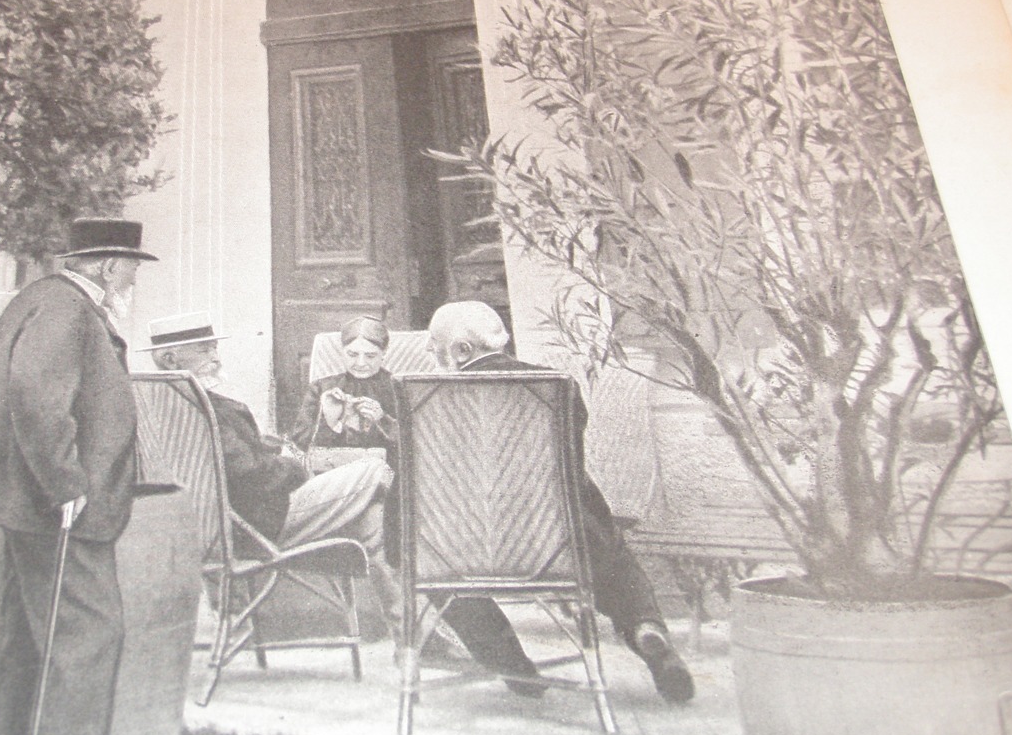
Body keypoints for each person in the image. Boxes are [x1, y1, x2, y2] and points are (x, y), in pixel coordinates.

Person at [0, 217, 157, 735]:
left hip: (35, 505)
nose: (132, 278)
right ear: (104, 265)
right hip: (58, 509)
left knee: (27, 645)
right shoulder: (68, 308)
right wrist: (66, 485)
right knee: (88, 642)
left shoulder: (44, 300)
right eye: (130, 267)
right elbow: (35, 394)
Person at [424, 300, 696, 704]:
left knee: (429, 556)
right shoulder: (559, 389)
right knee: (612, 554)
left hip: (470, 554)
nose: (434, 362)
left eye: (435, 351)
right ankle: (644, 628)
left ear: (462, 351)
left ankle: (512, 665)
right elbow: (570, 478)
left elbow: (418, 492)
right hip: (558, 552)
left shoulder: (428, 399)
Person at [142, 312, 404, 640]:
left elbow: (234, 462)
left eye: (214, 348)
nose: (215, 357)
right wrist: (294, 466)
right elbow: (252, 474)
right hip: (259, 525)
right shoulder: (208, 410)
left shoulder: (160, 407)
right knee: (375, 471)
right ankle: (410, 634)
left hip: (208, 529)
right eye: (205, 350)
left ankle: (407, 630)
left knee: (372, 517)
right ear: (169, 358)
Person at [287, 314, 402, 559]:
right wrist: (329, 420)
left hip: (389, 486)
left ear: (384, 355)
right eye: (352, 354)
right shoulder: (322, 388)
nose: (361, 363)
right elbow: (299, 445)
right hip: (333, 482)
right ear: (342, 353)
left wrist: (383, 419)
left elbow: (416, 442)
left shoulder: (399, 389)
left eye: (370, 356)